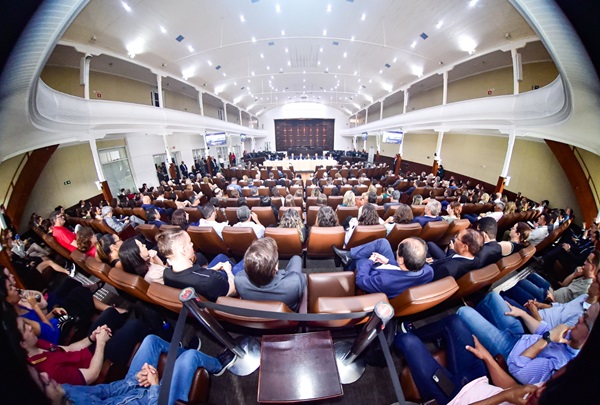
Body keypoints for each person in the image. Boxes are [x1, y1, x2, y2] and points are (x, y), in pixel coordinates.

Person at [457, 293, 599, 384]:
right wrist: (523, 315)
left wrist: (547, 338)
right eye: (584, 314)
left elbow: (518, 368)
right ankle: (473, 324)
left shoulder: (563, 364)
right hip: (521, 337)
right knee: (493, 297)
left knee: (464, 312)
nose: (579, 318)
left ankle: (462, 329)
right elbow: (544, 330)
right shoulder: (572, 336)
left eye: (585, 319)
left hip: (510, 353)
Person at [332, 237, 433, 299]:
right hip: (395, 268)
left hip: (381, 275)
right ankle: (348, 255)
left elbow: (361, 280)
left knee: (361, 261)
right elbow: (406, 269)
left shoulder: (384, 281)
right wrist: (388, 261)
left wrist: (370, 261)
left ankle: (347, 270)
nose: (396, 251)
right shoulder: (429, 271)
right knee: (383, 243)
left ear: (401, 259)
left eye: (397, 250)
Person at [158, 228, 236, 301]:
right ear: (183, 250)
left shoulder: (166, 273)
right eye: (189, 242)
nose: (192, 244)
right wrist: (229, 272)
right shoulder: (209, 279)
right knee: (239, 268)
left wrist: (213, 268)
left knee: (220, 257)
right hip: (221, 290)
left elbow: (196, 274)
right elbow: (232, 290)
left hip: (208, 286)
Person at [502, 250, 600, 305]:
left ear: (593, 267)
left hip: (550, 300)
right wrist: (574, 274)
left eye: (587, 261)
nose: (584, 263)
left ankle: (503, 297)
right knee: (533, 276)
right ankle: (510, 296)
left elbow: (568, 308)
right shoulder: (584, 277)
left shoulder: (587, 289)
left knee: (522, 283)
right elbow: (563, 285)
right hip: (553, 292)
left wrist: (553, 300)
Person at [234, 237, 305, 312]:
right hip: (286, 318)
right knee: (296, 258)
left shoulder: (239, 280)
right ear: (276, 268)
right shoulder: (295, 282)